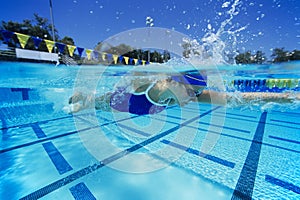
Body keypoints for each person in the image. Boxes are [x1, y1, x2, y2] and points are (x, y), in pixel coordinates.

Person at [64, 72, 299, 114]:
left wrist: (284, 96)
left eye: (196, 92)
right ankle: (80, 96)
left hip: (131, 107)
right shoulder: (157, 85)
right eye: (189, 90)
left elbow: (235, 99)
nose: (192, 97)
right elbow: (136, 76)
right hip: (116, 101)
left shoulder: (194, 94)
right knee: (87, 102)